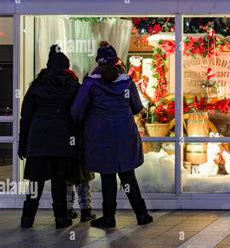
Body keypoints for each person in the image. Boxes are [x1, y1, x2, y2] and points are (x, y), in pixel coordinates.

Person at [71, 41, 153, 228]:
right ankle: (142, 214)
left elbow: (76, 111)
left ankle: (109, 217)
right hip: (125, 136)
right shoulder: (127, 82)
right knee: (127, 176)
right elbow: (137, 108)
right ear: (116, 61)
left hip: (101, 138)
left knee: (108, 176)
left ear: (98, 62)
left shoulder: (90, 83)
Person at [18, 45, 80, 229]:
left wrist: (23, 144)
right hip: (63, 140)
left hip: (38, 140)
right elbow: (79, 112)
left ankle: (27, 219)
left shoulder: (37, 85)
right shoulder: (73, 86)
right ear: (65, 67)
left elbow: (26, 116)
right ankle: (61, 219)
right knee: (59, 182)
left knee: (35, 182)